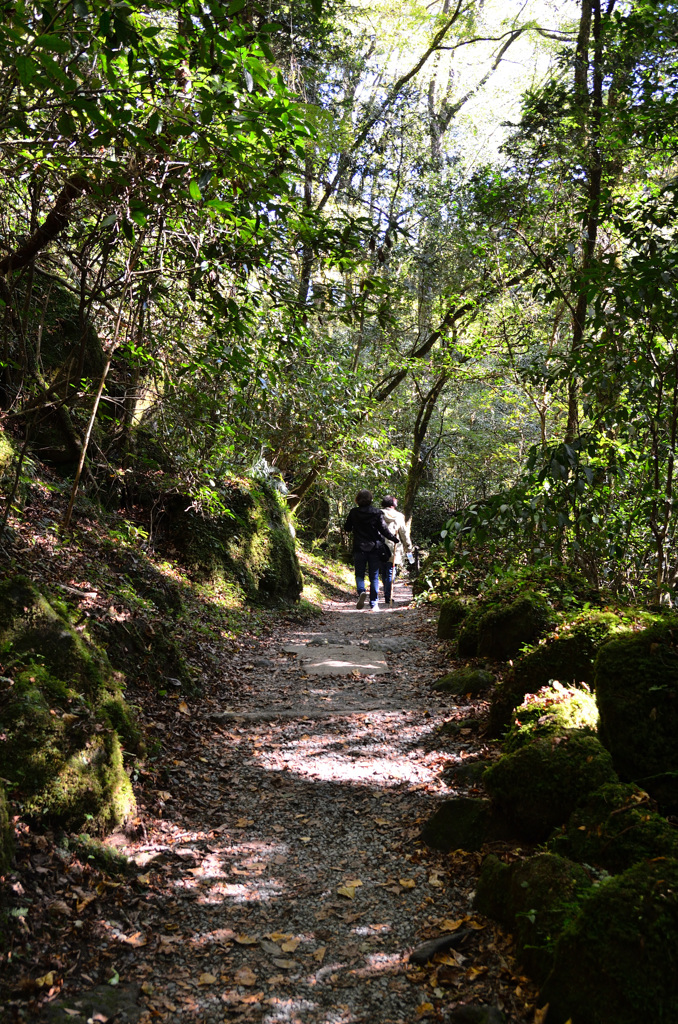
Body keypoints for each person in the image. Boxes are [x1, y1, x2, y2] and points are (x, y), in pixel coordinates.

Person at [343, 489, 395, 610]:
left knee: (359, 574)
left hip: (359, 547)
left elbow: (347, 528)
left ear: (357, 500)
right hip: (374, 548)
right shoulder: (377, 512)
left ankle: (361, 591)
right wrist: (394, 539)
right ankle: (374, 603)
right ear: (371, 499)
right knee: (374, 576)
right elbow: (384, 530)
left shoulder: (354, 512)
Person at [378, 495, 415, 607]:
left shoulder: (377, 513)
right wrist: (408, 546)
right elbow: (403, 533)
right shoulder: (399, 516)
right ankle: (388, 595)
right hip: (393, 547)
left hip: (379, 546)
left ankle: (387, 592)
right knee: (390, 570)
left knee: (383, 570)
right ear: (393, 504)